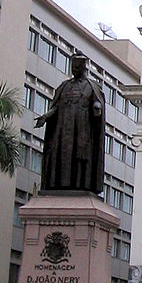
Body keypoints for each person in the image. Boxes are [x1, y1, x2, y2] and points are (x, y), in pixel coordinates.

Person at [35, 53, 105, 194]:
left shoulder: (92, 86)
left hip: (83, 128)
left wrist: (97, 107)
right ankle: (60, 185)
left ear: (83, 67)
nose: (74, 70)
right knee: (63, 155)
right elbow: (56, 107)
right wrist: (45, 116)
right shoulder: (64, 86)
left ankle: (81, 185)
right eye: (73, 67)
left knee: (81, 157)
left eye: (77, 67)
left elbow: (97, 102)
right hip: (64, 129)